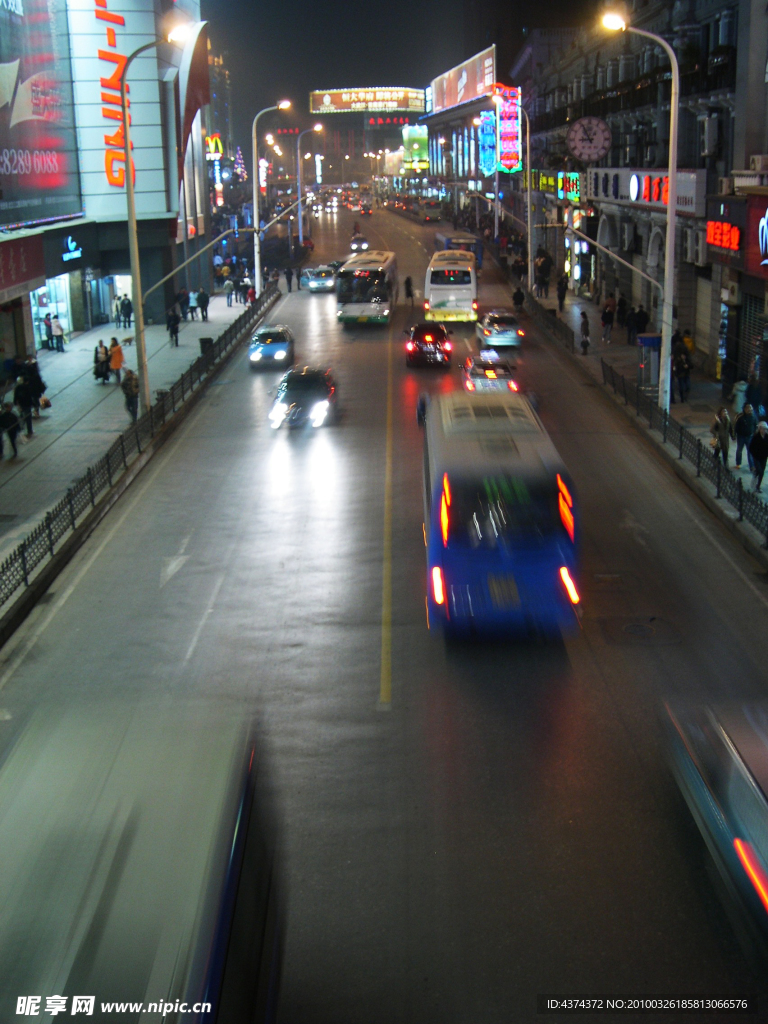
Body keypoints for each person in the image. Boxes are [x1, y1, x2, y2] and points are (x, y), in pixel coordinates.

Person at [734, 403, 757, 470]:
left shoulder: (753, 416)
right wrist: (734, 435)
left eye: (751, 408)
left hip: (749, 437)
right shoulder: (740, 417)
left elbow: (755, 425)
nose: (750, 409)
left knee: (750, 451)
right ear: (744, 409)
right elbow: (736, 427)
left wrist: (754, 432)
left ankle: (751, 466)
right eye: (748, 408)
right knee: (739, 450)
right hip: (741, 436)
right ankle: (738, 463)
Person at [749, 421, 768, 491]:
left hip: (764, 457)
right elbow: (751, 447)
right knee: (759, 470)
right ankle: (754, 479)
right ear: (759, 429)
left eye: (765, 429)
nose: (764, 431)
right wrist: (754, 454)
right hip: (756, 457)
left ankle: (758, 486)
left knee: (761, 472)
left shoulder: (767, 437)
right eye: (762, 429)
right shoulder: (756, 437)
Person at [672, 338, 691, 403]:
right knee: (682, 386)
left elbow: (690, 364)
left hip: (684, 373)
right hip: (681, 373)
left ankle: (683, 398)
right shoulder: (678, 356)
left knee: (685, 386)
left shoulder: (677, 350)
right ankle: (683, 398)